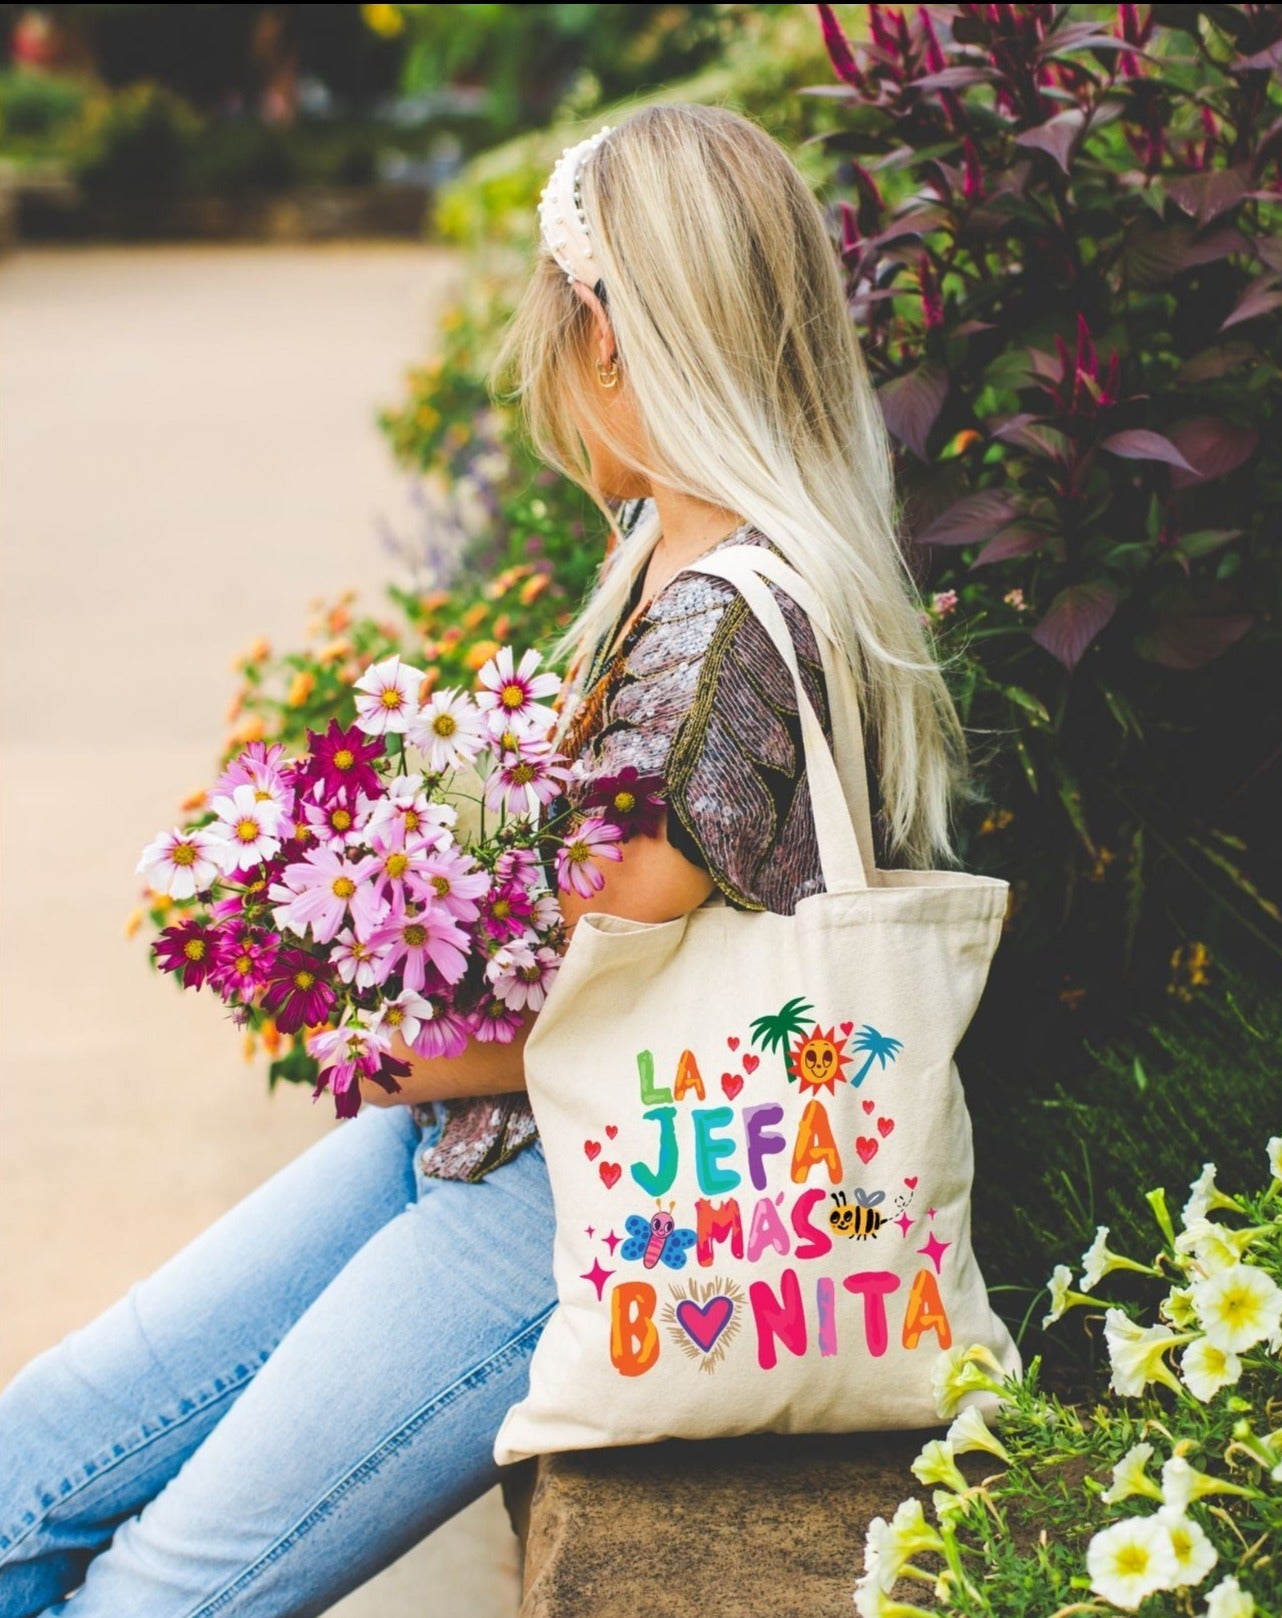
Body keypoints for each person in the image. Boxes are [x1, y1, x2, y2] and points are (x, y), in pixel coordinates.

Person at [0, 102, 963, 1616]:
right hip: (494, 1148)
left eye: (552, 314)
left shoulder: (725, 625)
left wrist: (361, 1041)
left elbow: (571, 1004)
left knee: (156, 1590)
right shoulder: (679, 559)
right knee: (32, 1465)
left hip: (596, 1204)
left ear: (609, 334)